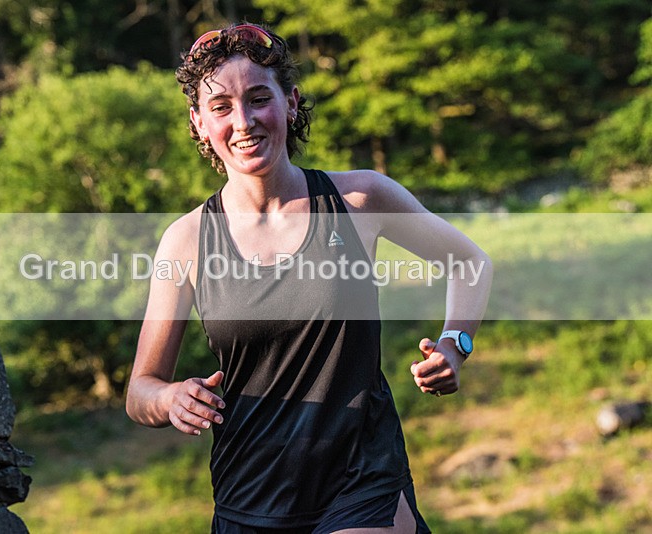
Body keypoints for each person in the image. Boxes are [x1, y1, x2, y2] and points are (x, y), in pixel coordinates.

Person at [126, 22, 492, 534]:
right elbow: (139, 389)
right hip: (248, 496)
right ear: (199, 124)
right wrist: (169, 399)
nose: (244, 121)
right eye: (222, 107)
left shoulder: (358, 200)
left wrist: (455, 344)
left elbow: (469, 262)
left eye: (259, 99)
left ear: (291, 102)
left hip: (362, 482)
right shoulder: (187, 241)